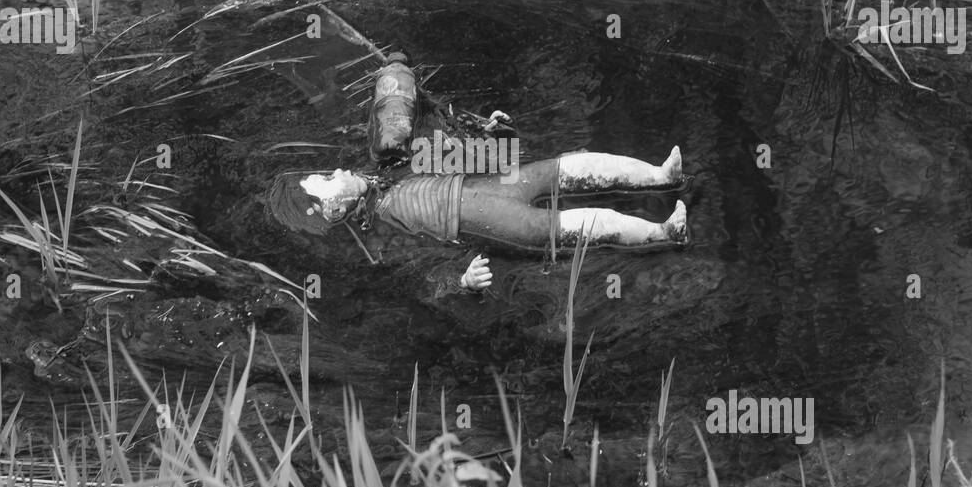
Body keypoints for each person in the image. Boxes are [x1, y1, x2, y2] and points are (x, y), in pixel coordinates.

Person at [285, 147, 691, 291]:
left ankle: (659, 176)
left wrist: (491, 132)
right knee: (583, 224)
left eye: (327, 172)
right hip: (487, 222)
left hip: (492, 186)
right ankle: (664, 232)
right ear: (333, 209)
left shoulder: (383, 176)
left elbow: (439, 145)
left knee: (571, 165)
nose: (336, 172)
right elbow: (420, 274)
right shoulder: (380, 238)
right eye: (326, 181)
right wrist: (460, 283)